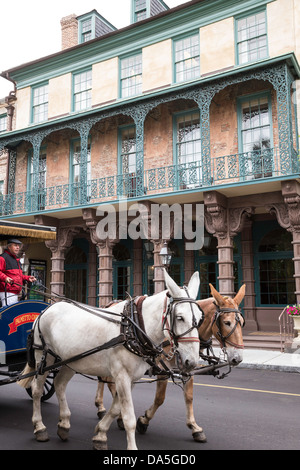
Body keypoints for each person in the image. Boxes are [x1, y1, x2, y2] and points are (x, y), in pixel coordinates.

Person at [0, 239, 36, 306]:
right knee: (10, 313)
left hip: (15, 292)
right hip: (7, 291)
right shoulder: (3, 258)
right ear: (9, 247)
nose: (18, 247)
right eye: (15, 245)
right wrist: (5, 278)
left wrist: (27, 278)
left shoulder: (16, 259)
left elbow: (18, 276)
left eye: (18, 246)